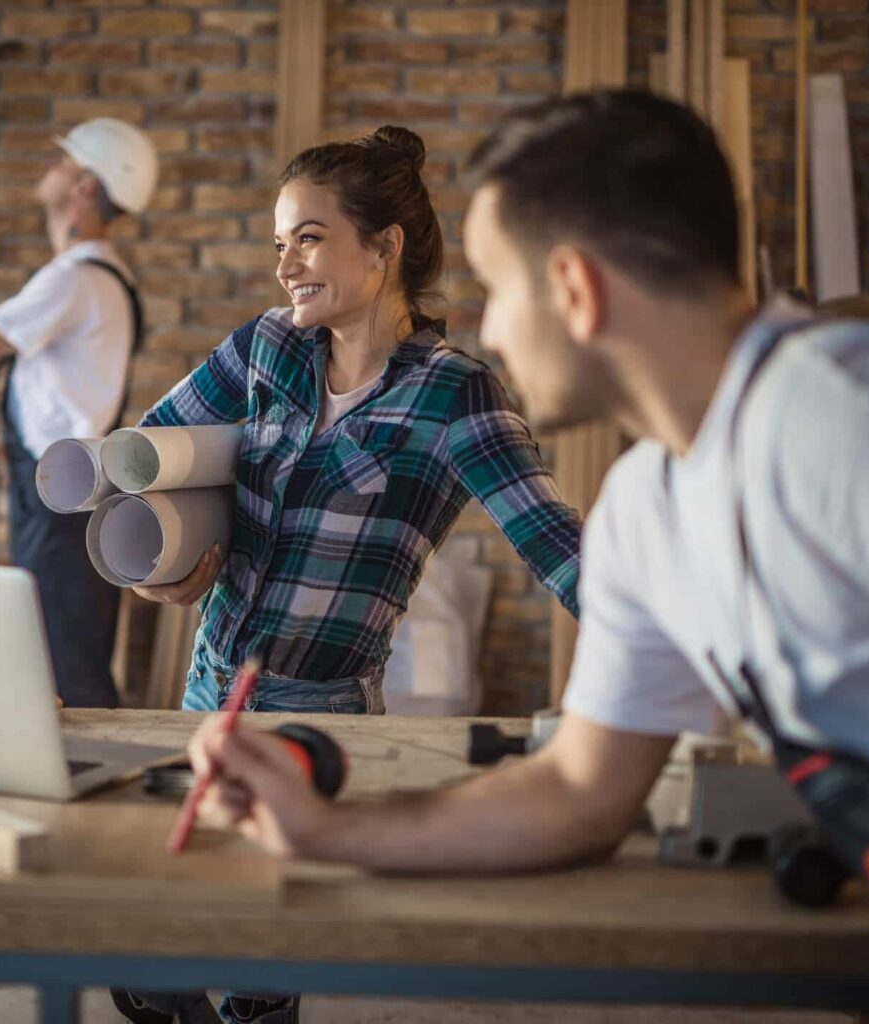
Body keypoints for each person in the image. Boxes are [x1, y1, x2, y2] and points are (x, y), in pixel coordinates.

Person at [183, 92, 869, 1024]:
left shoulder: (864, 419)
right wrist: (324, 827)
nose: (488, 332)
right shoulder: (653, 511)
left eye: (498, 286)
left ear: (574, 287)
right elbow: (574, 795)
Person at [112, 126, 581, 1024]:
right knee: (153, 960)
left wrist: (694, 651)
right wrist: (158, 570)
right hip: (210, 686)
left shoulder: (453, 395)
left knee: (258, 979)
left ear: (385, 246)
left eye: (310, 237)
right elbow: (142, 460)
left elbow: (561, 551)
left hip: (320, 719)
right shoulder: (264, 352)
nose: (286, 263)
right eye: (279, 241)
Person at [0, 118, 158, 709]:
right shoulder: (100, 278)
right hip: (66, 499)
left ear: (83, 185)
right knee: (62, 659)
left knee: (66, 673)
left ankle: (92, 790)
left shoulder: (77, 280)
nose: (48, 168)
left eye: (62, 161)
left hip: (62, 508)